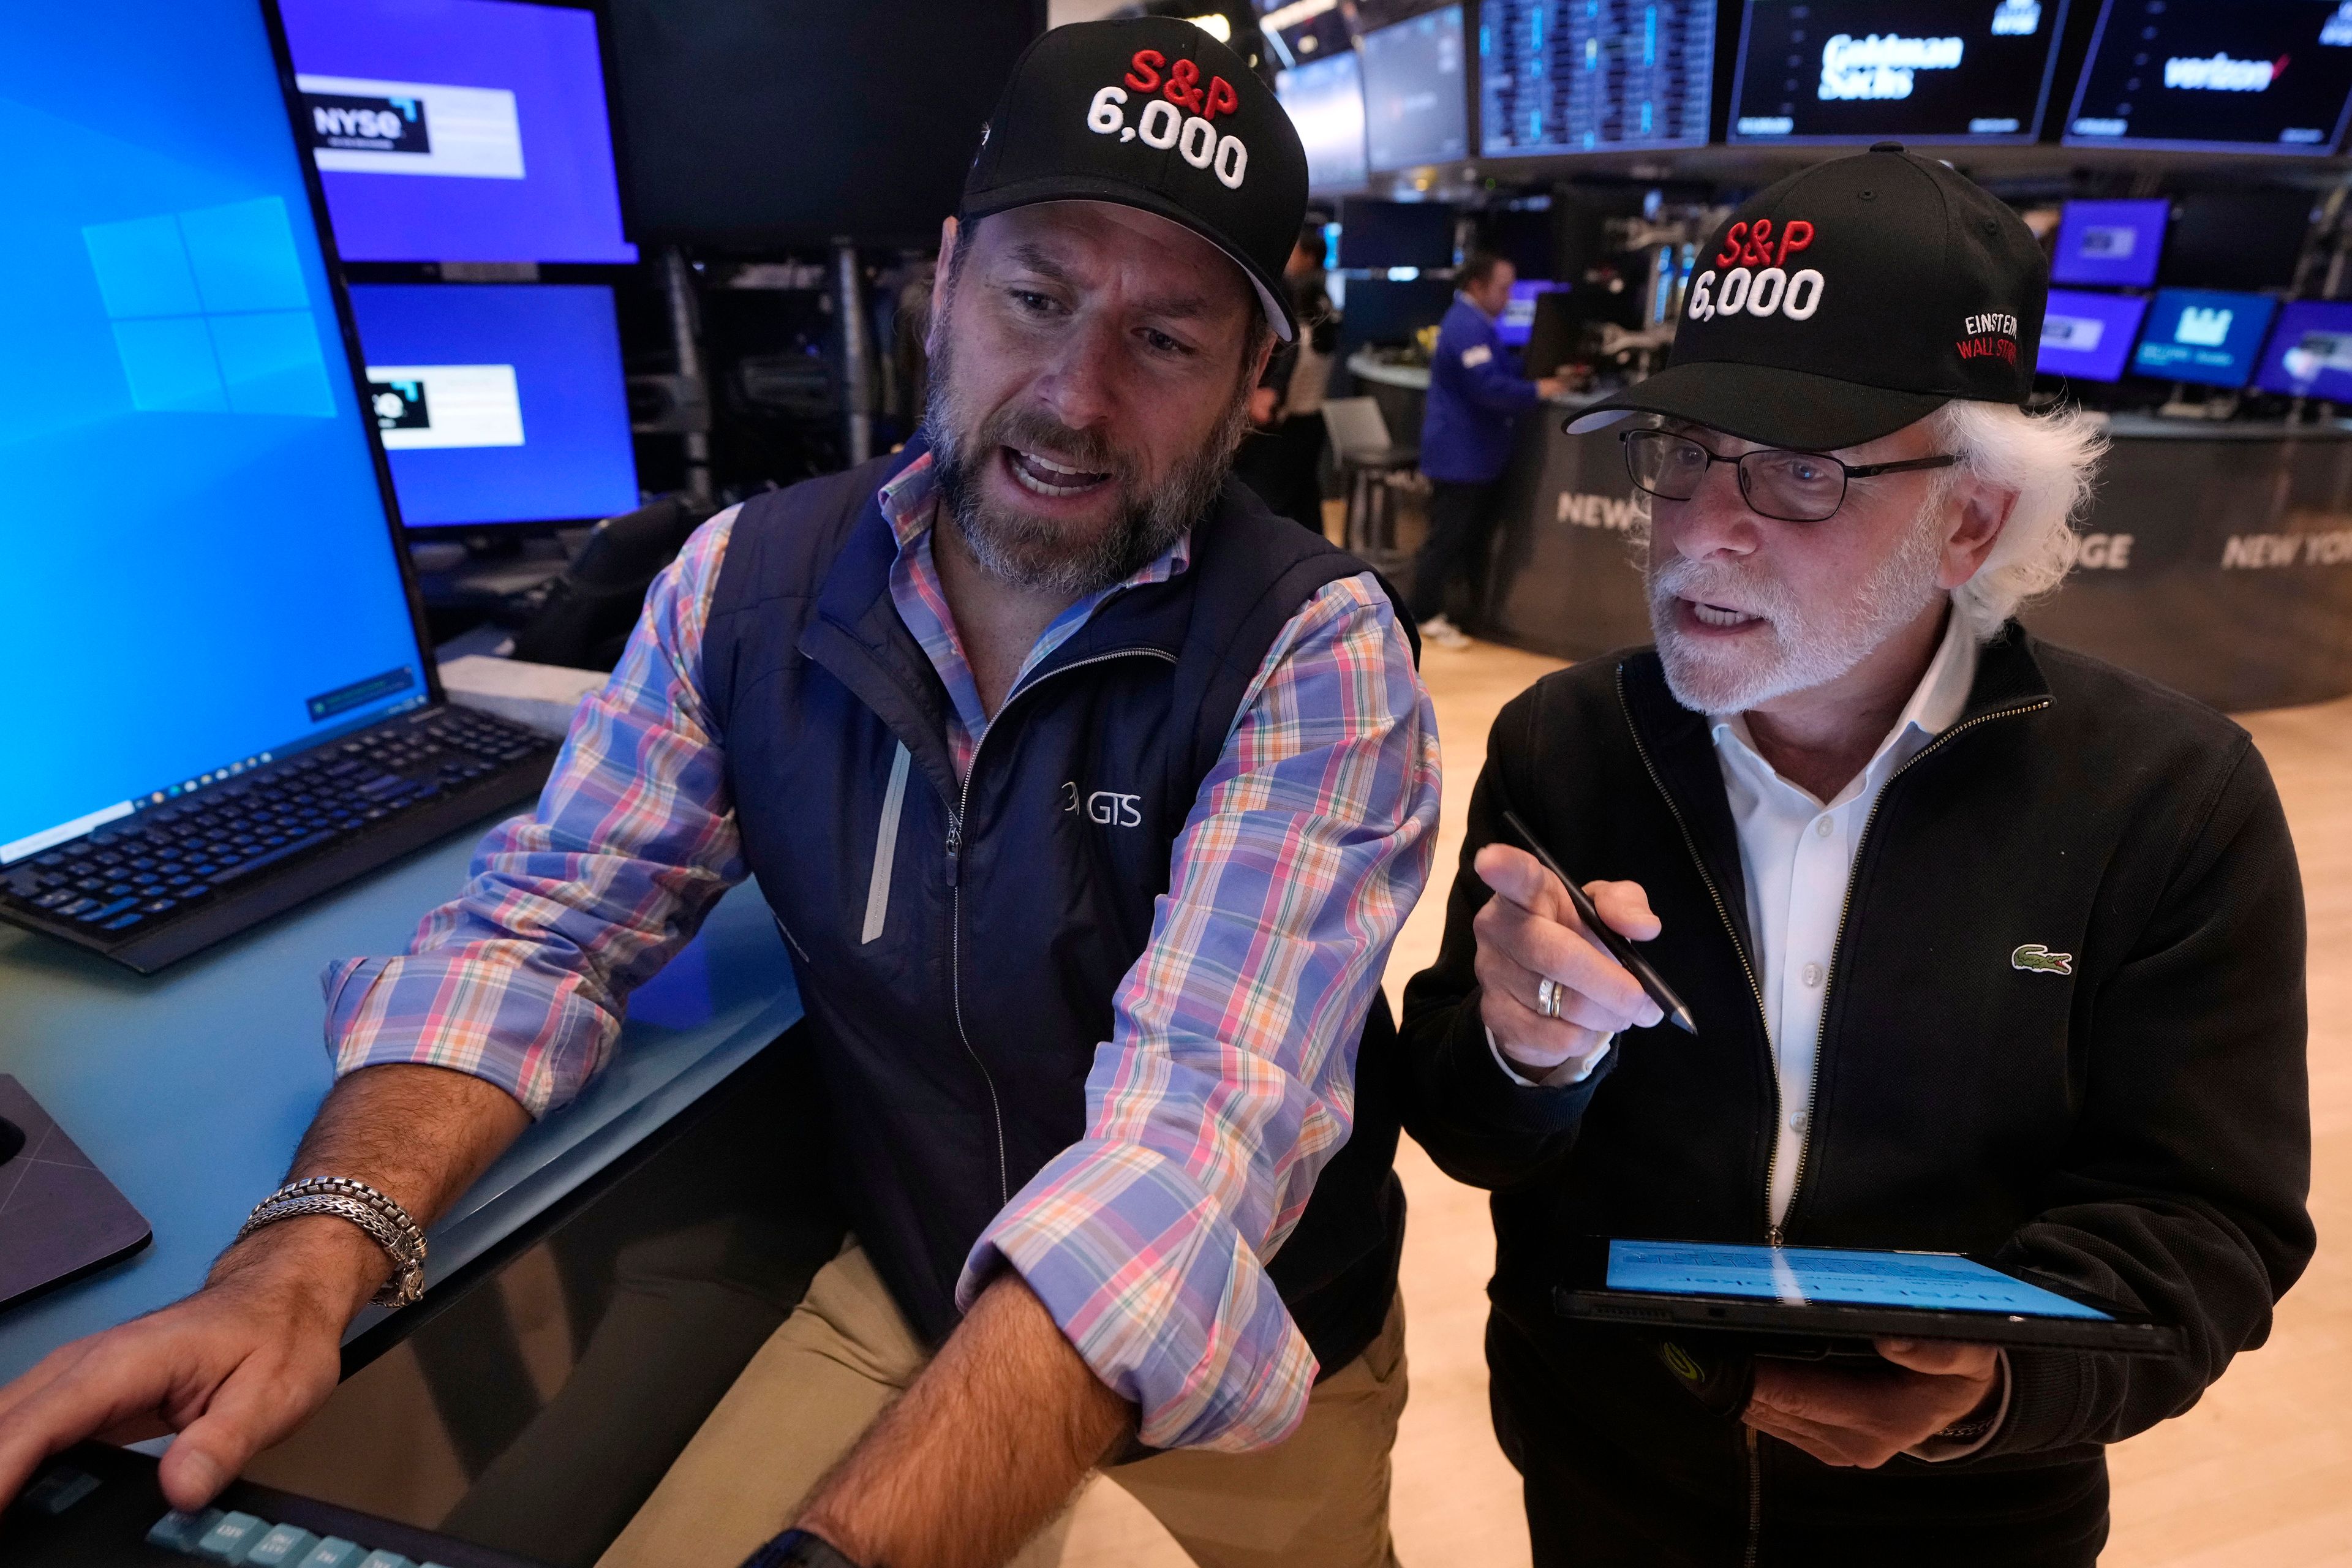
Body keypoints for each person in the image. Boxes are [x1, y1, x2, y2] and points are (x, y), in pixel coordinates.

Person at [0, 22, 1442, 1568]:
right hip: (902, 1279)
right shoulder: (742, 586)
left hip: (1236, 1375)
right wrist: (304, 1252)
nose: (1074, 396)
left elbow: (1187, 1148)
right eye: (1035, 297)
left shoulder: (1314, 655)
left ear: (1255, 384)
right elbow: (540, 932)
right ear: (943, 279)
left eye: (1164, 339)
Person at [1398, 145, 2312, 1565]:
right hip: (1603, 1473)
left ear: (1972, 514)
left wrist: (1999, 1382)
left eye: (1800, 475)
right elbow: (1465, 1125)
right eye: (1684, 452)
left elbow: (2208, 1216)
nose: (1703, 531)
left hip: (1972, 1519)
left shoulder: (2166, 797)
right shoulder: (1565, 746)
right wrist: (1523, 1051)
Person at [1410, 251, 1566, 650]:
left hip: (1476, 457)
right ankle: (1423, 614)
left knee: (1468, 540)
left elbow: (1499, 372)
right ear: (1477, 286)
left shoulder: (1480, 325)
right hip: (1459, 456)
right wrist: (1537, 390)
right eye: (1503, 287)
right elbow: (1487, 389)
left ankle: (1461, 612)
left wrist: (1540, 373)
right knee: (1446, 539)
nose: (1510, 296)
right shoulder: (1465, 327)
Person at [1235, 222, 1338, 535]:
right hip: (1311, 417)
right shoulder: (1324, 296)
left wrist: (1272, 393)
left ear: (1307, 256)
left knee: (1271, 508)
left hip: (1287, 422)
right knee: (1305, 501)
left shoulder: (1302, 293)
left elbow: (1297, 348)